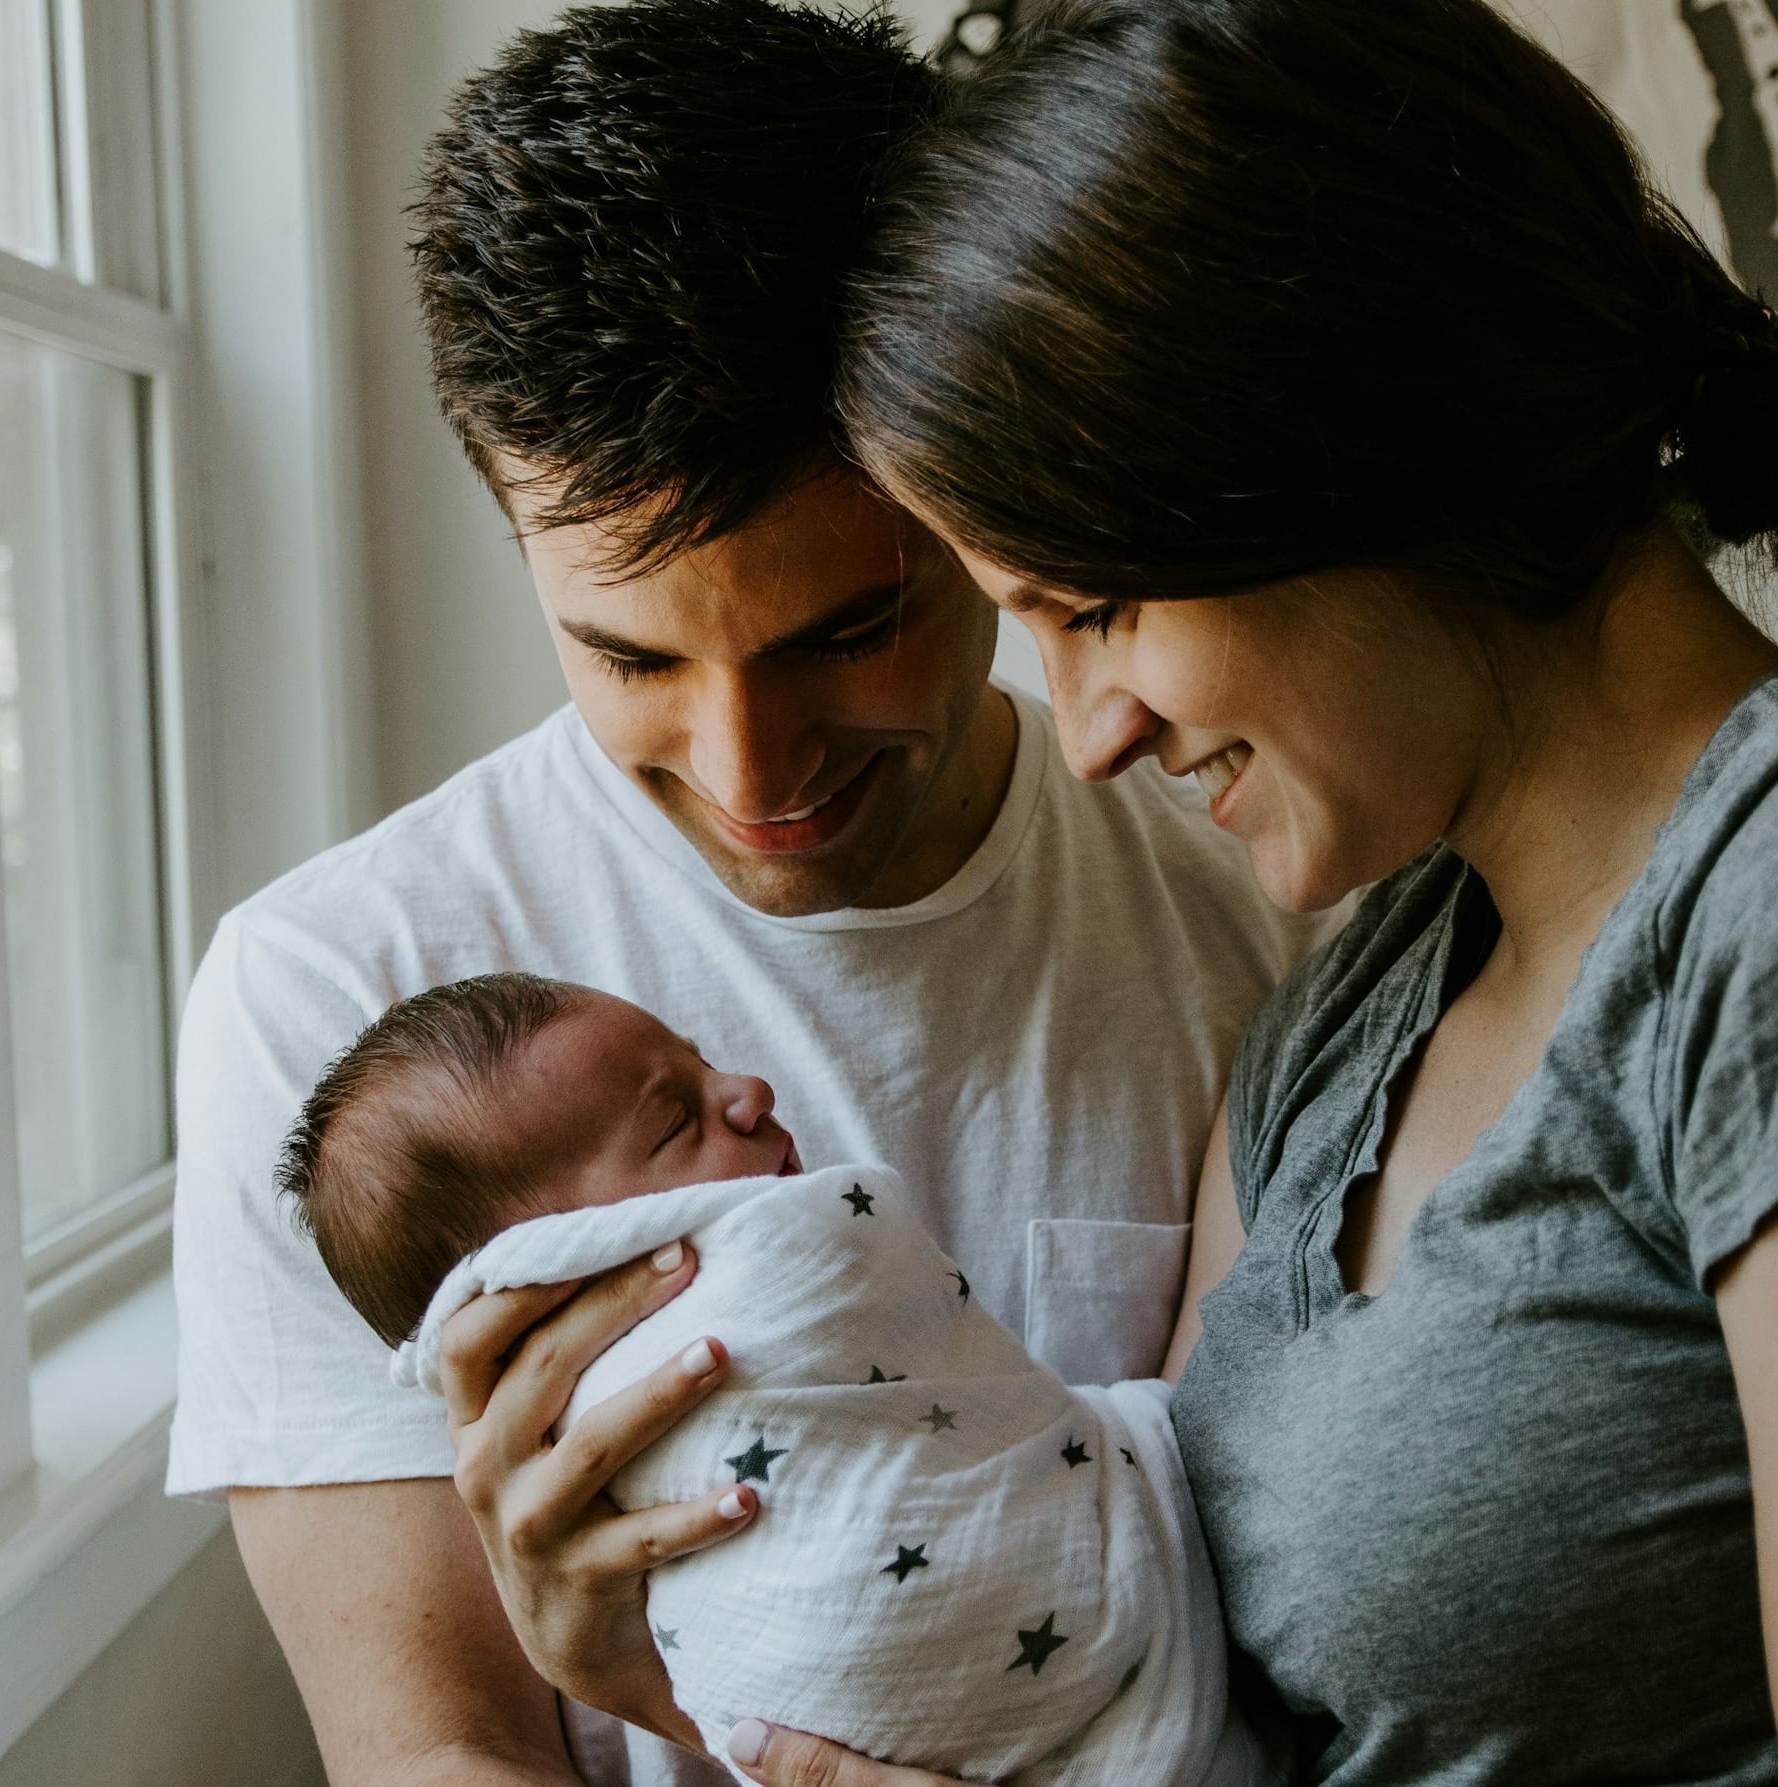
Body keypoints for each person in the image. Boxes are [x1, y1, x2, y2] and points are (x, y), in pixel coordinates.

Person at [440, 0, 1778, 1783]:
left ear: (1366, 455)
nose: (1088, 731)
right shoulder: (1369, 997)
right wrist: (698, 1684)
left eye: (1098, 609)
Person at [162, 3, 1321, 1784]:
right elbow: (432, 1755)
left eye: (848, 631)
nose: (751, 771)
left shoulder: (1263, 906)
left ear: (981, 496)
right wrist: (644, 1687)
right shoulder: (336, 998)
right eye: (627, 657)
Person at [279, 971, 1270, 1786]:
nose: (747, 1087)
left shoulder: (1229, 940)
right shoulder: (307, 969)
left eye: (700, 1060)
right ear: (564, 1259)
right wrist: (613, 1669)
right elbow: (430, 1751)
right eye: (673, 1121)